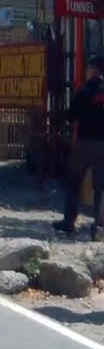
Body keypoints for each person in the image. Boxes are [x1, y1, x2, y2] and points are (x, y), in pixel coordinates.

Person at [54, 55, 104, 240]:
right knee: (102, 187)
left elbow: (71, 114)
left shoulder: (85, 89)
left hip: (84, 143)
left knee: (74, 181)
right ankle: (99, 228)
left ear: (94, 69)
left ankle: (69, 221)